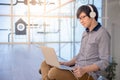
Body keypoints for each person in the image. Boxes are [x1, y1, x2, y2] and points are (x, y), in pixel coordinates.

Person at [39, 4, 110, 80]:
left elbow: (105, 61)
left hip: (88, 74)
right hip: (76, 69)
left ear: (93, 15)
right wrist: (66, 63)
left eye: (83, 17)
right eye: (79, 18)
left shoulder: (102, 33)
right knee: (45, 63)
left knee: (53, 72)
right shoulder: (85, 33)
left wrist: (84, 69)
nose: (81, 21)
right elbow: (80, 55)